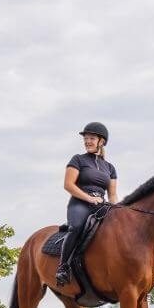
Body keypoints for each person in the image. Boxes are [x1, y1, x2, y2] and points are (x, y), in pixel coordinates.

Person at [56, 121, 118, 286]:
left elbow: (112, 195)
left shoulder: (110, 168)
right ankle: (63, 268)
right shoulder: (78, 159)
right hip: (80, 203)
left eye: (91, 138)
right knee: (76, 227)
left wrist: (117, 210)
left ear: (101, 141)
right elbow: (68, 185)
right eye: (86, 138)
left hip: (101, 205)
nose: (87, 141)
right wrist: (89, 198)